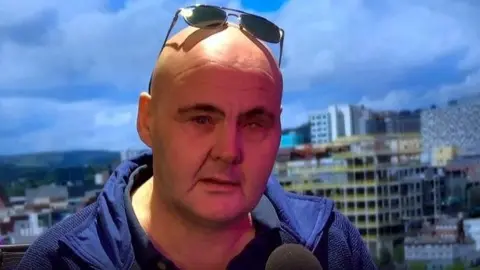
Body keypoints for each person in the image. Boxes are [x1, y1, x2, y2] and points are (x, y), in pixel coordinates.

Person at [17, 5, 376, 270]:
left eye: (254, 123)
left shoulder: (330, 245)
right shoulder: (59, 261)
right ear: (147, 122)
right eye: (202, 118)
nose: (228, 151)